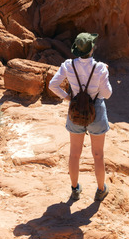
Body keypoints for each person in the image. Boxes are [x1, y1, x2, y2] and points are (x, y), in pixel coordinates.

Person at [48, 32, 113, 202]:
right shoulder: (100, 68)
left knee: (74, 154)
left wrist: (68, 97)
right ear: (92, 49)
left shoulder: (68, 65)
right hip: (96, 110)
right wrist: (104, 74)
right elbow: (106, 94)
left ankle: (75, 189)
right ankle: (100, 190)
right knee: (98, 154)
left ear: (76, 49)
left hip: (75, 110)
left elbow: (53, 85)